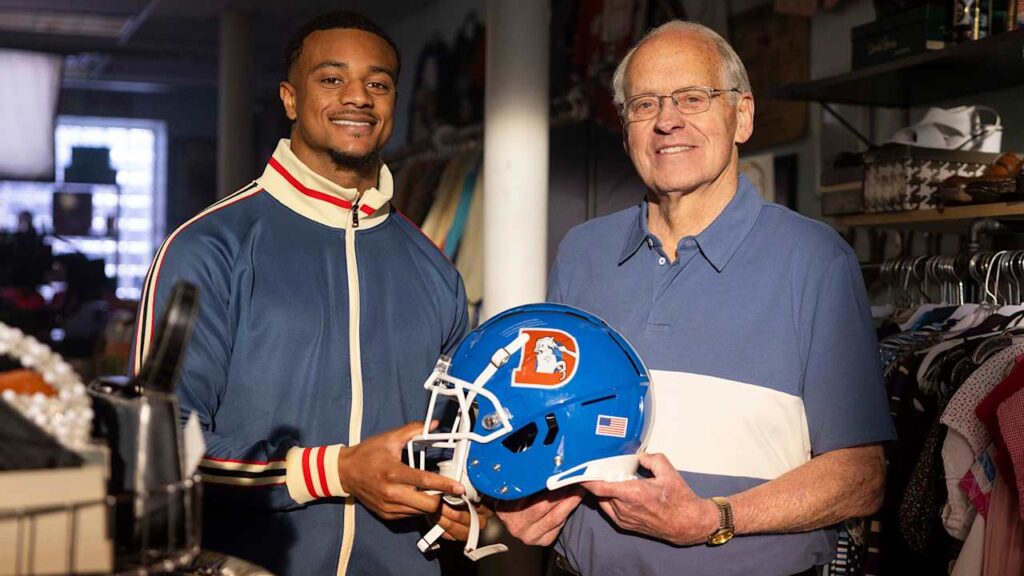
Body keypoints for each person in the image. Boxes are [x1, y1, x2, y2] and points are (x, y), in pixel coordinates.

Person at [497, 20, 895, 576]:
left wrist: (715, 518)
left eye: (693, 97)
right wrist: (521, 493)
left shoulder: (815, 259)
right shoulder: (582, 253)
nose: (667, 121)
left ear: (743, 115)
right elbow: (545, 423)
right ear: (626, 126)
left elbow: (861, 477)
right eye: (645, 104)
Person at [130, 11, 480, 576]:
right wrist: (334, 471)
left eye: (378, 83)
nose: (358, 97)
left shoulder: (435, 268)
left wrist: (467, 506)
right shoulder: (208, 248)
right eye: (332, 78)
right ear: (290, 99)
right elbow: (156, 446)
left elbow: (456, 438)